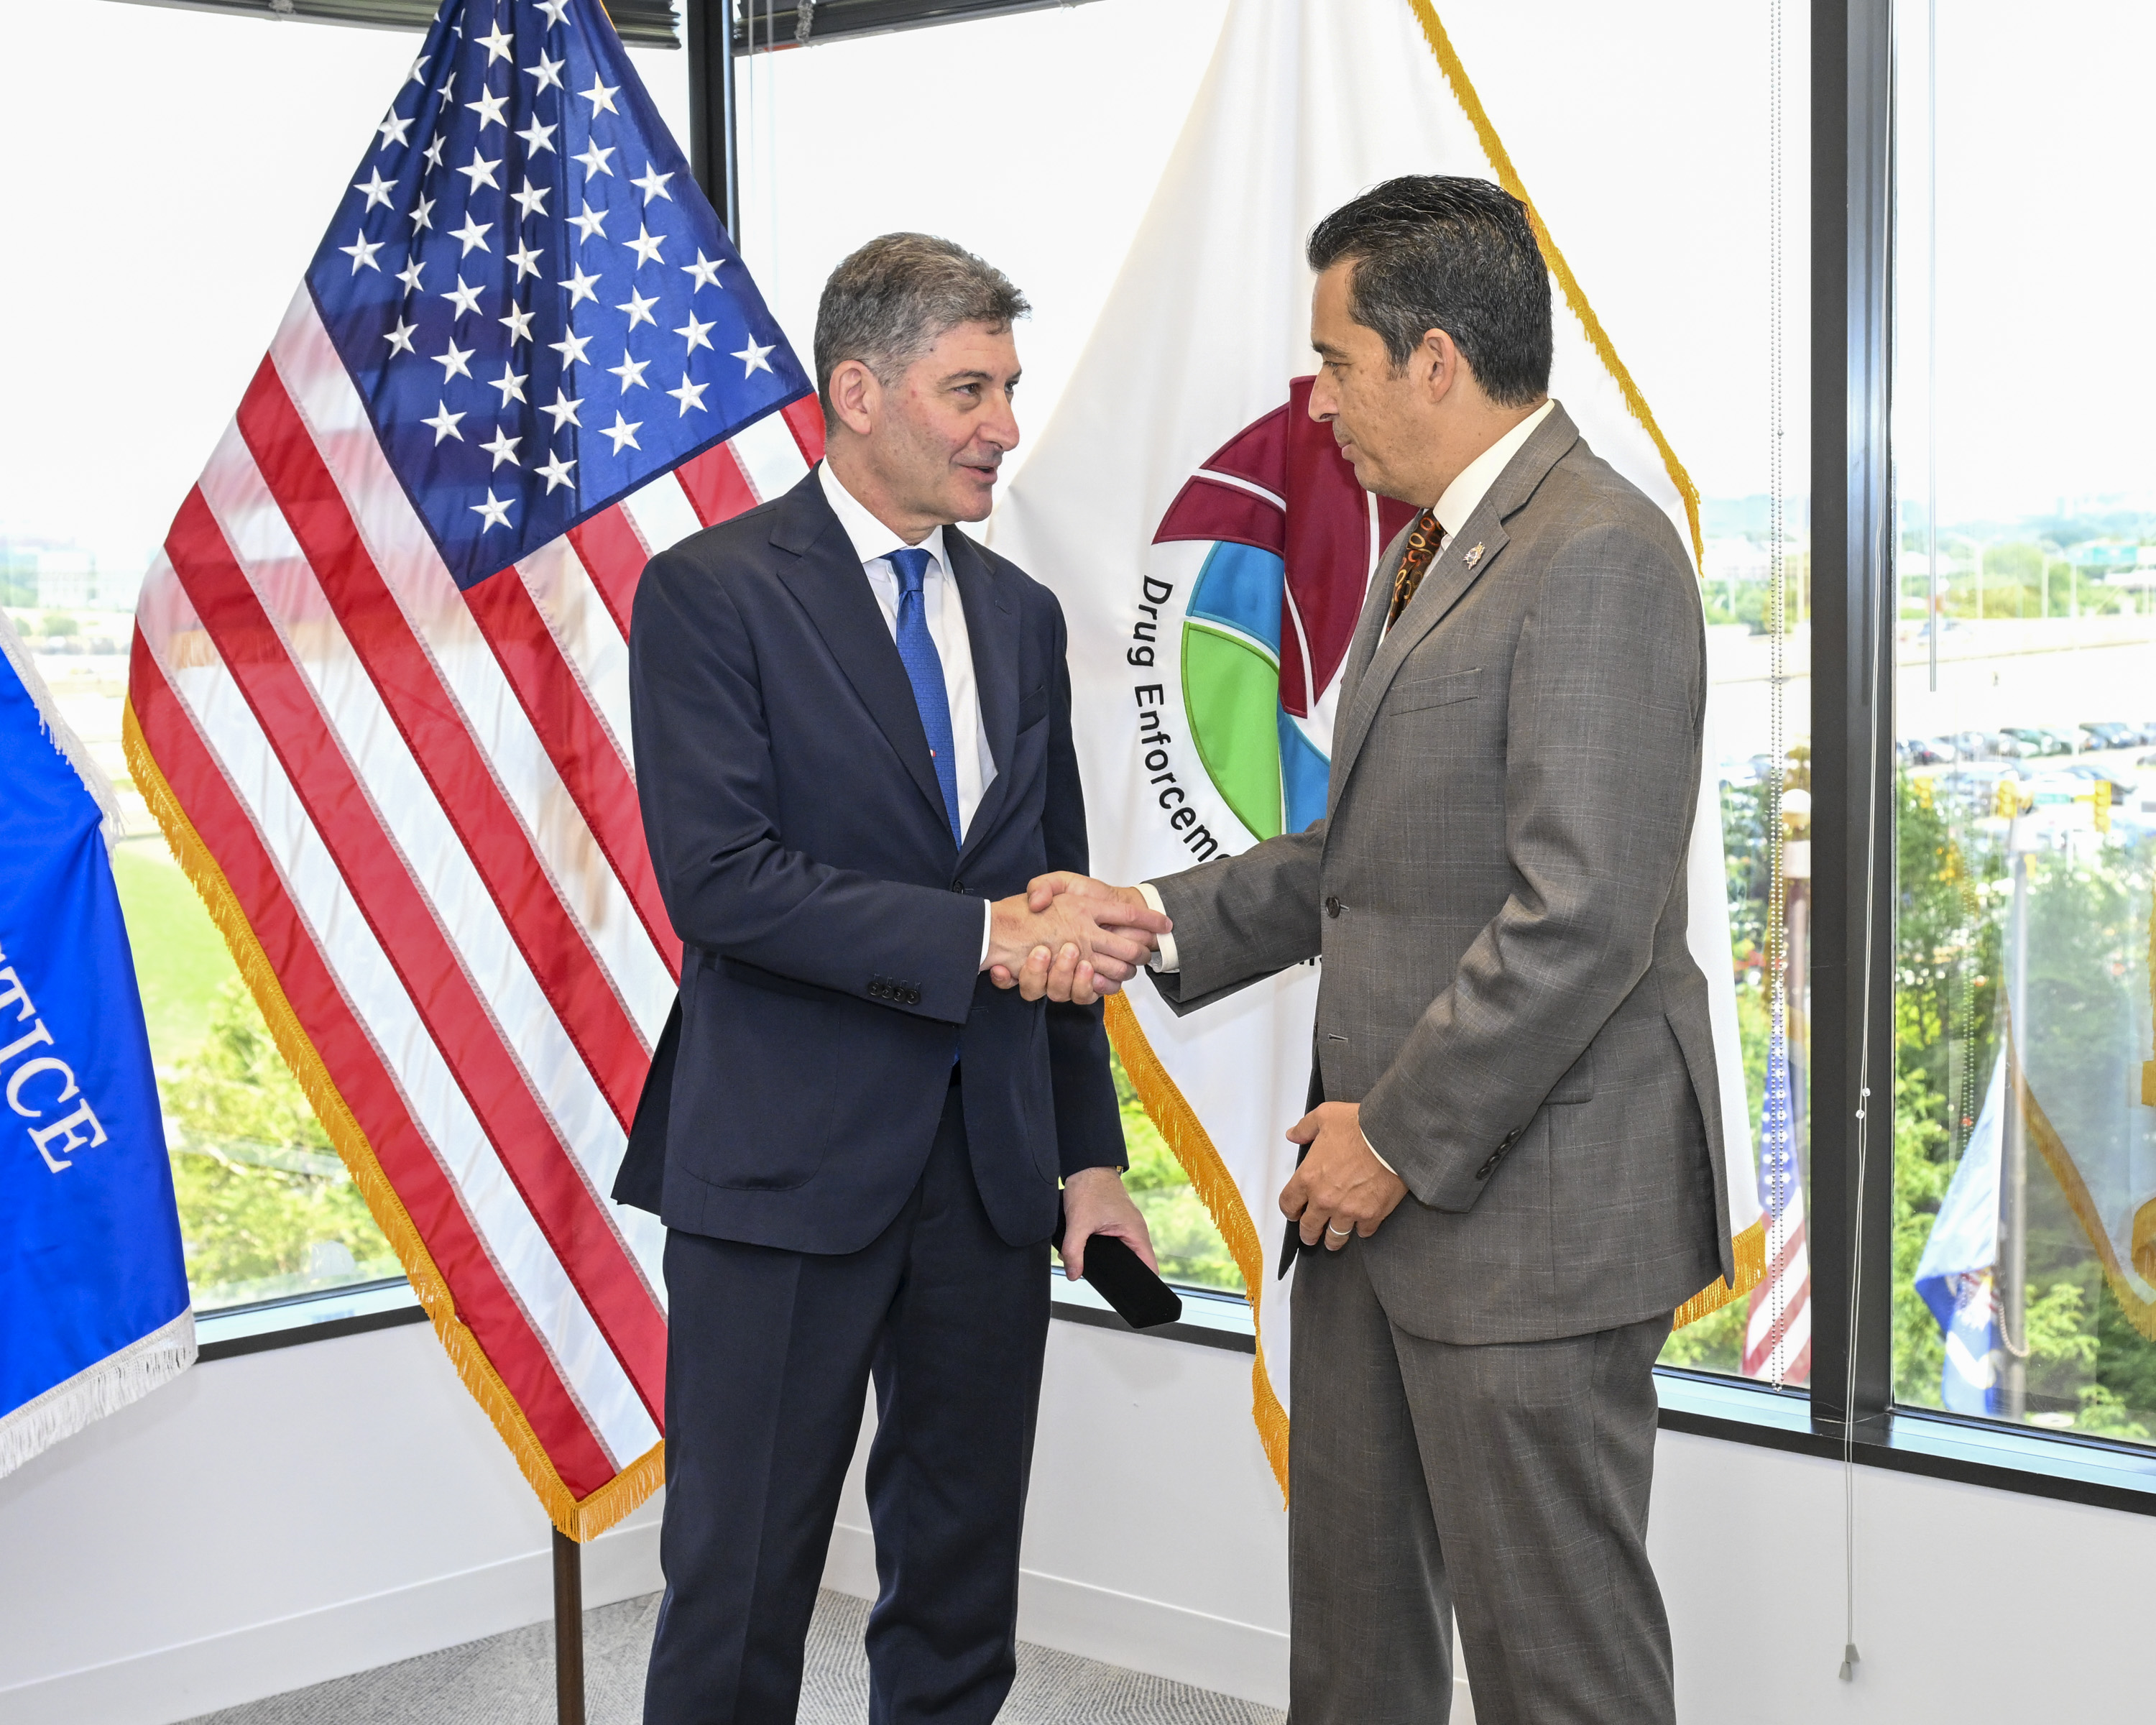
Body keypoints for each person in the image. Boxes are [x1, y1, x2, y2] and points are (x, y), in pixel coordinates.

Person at [1019, 178, 1733, 1724]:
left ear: (1435, 361)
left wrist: (1392, 1140)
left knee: (1559, 1669)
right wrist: (1152, 918)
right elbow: (1373, 856)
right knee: (1355, 1647)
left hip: (1518, 1214)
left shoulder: (1600, 551)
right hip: (1368, 1202)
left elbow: (1583, 912)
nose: (1320, 402)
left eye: (1337, 363)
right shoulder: (1431, 550)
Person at [617, 231, 1169, 1725]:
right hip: (781, 1173)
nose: (1004, 425)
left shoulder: (1022, 618)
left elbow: (1053, 907)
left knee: (961, 1591)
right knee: (739, 1590)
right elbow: (723, 884)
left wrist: (1089, 1162)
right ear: (857, 393)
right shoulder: (710, 594)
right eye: (970, 388)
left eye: (1009, 389)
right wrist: (977, 939)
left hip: (988, 1179)